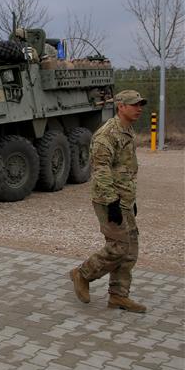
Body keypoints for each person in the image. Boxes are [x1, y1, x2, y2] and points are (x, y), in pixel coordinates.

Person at [70, 90, 148, 313]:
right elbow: (101, 169)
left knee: (130, 249)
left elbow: (123, 168)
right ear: (121, 106)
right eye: (134, 104)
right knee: (118, 247)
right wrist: (113, 202)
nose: (139, 108)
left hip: (123, 198)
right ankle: (82, 274)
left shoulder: (127, 130)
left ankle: (118, 296)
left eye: (140, 104)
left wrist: (129, 200)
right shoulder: (107, 134)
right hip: (108, 200)